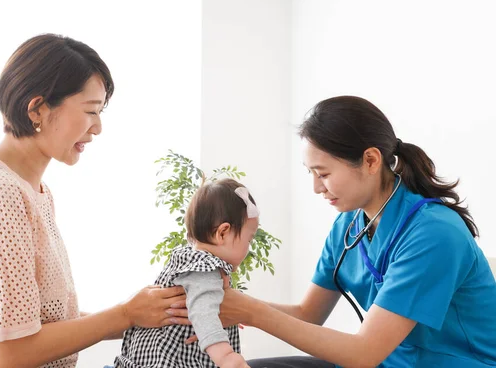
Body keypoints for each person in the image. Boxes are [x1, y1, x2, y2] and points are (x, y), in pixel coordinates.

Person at [0, 34, 189, 368]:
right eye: (91, 111)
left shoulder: (31, 190)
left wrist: (141, 315)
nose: (97, 128)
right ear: (37, 108)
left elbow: (31, 318)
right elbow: (13, 353)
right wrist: (125, 314)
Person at [197, 96, 496, 367]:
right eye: (311, 173)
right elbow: (308, 314)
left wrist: (251, 311)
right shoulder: (348, 225)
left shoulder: (434, 234)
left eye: (324, 174)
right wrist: (227, 301)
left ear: (370, 160)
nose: (316, 187)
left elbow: (364, 353)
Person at [114, 178, 259, 368]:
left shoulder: (185, 259)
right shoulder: (205, 269)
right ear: (222, 233)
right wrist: (227, 357)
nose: (248, 248)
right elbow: (203, 314)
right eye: (249, 239)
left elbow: (203, 308)